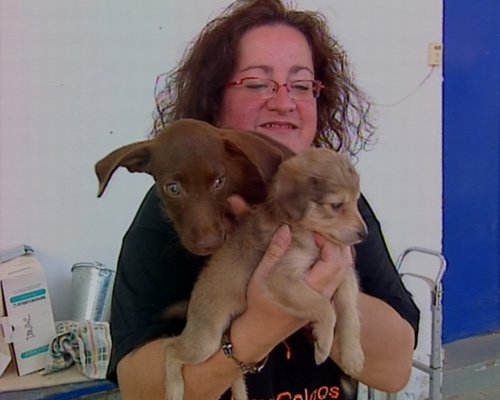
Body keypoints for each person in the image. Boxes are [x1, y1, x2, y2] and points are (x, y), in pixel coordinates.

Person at [106, 0, 420, 399]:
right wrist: (256, 329)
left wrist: (320, 284)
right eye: (257, 83)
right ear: (213, 102)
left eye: (302, 85)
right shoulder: (172, 217)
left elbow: (395, 371)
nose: (284, 102)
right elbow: (139, 390)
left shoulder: (330, 199)